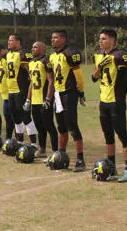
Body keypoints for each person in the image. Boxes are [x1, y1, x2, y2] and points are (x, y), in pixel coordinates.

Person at [91, 29, 127, 182]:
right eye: (100, 38)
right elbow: (93, 78)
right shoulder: (99, 55)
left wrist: (120, 96)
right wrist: (100, 66)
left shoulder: (119, 55)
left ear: (112, 41)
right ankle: (111, 166)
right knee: (108, 135)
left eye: (104, 39)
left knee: (122, 134)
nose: (100, 41)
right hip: (104, 101)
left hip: (116, 101)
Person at [49, 30, 86, 171]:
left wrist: (81, 92)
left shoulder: (70, 53)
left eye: (56, 37)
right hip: (58, 94)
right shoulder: (52, 56)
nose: (53, 40)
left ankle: (80, 159)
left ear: (63, 39)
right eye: (52, 37)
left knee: (72, 125)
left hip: (69, 93)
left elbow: (79, 75)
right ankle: (60, 156)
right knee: (61, 127)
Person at [25, 41, 58, 158]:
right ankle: (42, 149)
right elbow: (31, 83)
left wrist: (48, 99)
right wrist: (28, 100)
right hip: (35, 100)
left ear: (43, 50)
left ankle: (55, 152)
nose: (33, 49)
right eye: (32, 47)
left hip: (44, 100)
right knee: (39, 126)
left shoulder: (46, 61)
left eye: (35, 47)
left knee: (49, 126)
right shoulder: (32, 62)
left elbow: (51, 81)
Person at [7, 33, 38, 147]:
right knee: (15, 117)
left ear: (18, 42)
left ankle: (34, 143)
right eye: (9, 40)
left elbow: (31, 70)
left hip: (21, 89)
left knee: (25, 116)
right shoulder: (9, 54)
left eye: (11, 40)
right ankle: (20, 141)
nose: (9, 42)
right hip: (11, 90)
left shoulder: (23, 54)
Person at [0, 44, 13, 139]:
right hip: (4, 95)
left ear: (2, 50)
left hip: (12, 93)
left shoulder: (8, 59)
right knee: (7, 117)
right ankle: (8, 138)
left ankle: (17, 139)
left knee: (15, 118)